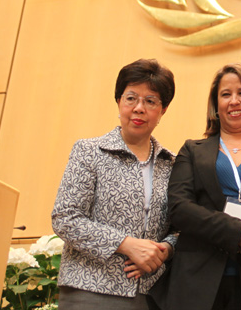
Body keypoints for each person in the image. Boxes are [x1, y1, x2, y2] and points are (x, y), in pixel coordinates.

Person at [155, 63, 241, 310]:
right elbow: (180, 209)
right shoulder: (192, 151)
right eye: (225, 94)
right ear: (216, 105)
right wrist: (238, 232)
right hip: (198, 281)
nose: (234, 101)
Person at [51, 58, 177, 309]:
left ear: (162, 110)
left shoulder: (173, 164)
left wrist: (165, 249)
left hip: (151, 294)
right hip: (91, 290)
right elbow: (65, 217)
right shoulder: (89, 151)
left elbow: (183, 227)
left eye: (150, 101)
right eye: (131, 98)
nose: (139, 108)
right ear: (119, 101)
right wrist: (126, 244)